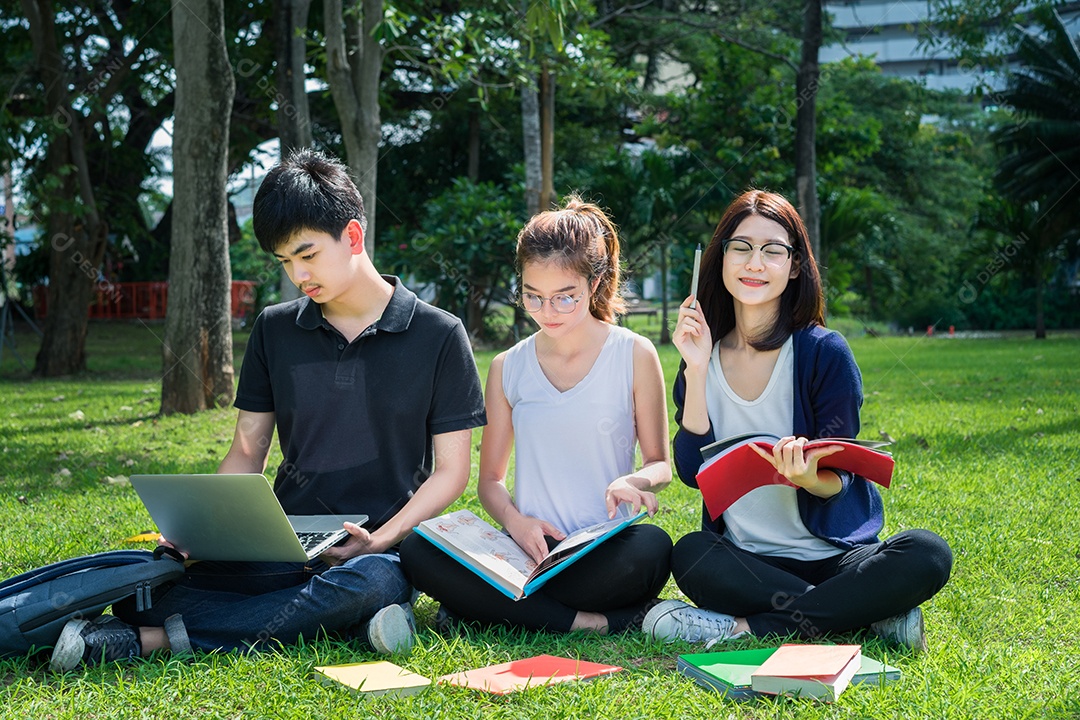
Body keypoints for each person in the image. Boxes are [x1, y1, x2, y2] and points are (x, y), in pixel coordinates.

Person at [49, 149, 487, 671]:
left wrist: (383, 538)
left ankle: (151, 643)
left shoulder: (438, 334)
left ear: (352, 237)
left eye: (307, 255)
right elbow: (246, 449)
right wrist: (202, 528)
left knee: (369, 583)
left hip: (378, 546)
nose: (298, 275)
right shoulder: (276, 329)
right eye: (285, 262)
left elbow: (452, 472)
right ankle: (347, 624)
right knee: (149, 584)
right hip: (281, 539)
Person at [643, 190, 952, 652]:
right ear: (721, 259)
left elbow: (841, 478)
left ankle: (749, 629)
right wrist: (698, 368)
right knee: (689, 553)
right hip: (751, 564)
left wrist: (809, 478)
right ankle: (865, 614)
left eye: (773, 251)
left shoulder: (823, 352)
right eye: (741, 247)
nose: (754, 263)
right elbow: (692, 473)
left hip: (835, 557)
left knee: (928, 552)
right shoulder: (700, 356)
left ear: (793, 266)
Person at [400, 196, 673, 634]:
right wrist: (517, 522)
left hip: (602, 550)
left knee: (654, 548)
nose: (547, 313)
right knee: (416, 550)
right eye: (533, 297)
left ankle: (490, 605)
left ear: (596, 283)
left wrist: (635, 481)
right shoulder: (508, 366)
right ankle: (590, 622)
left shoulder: (634, 354)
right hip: (527, 548)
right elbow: (489, 481)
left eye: (566, 298)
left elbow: (660, 463)